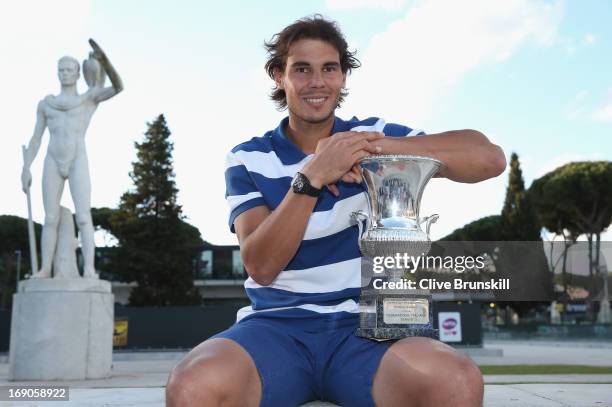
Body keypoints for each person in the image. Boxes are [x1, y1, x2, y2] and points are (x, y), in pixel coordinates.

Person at [167, 15, 505, 407]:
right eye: (301, 69)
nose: (317, 82)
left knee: (457, 382)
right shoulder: (248, 158)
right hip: (278, 328)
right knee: (191, 387)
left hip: (374, 327)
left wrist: (366, 148)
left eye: (329, 68)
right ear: (279, 76)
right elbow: (261, 265)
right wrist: (311, 178)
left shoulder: (375, 134)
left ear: (343, 77)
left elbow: (488, 158)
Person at [21, 39, 123, 279]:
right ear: (57, 73)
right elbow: (36, 137)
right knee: (50, 218)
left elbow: (118, 87)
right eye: (62, 70)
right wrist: (26, 167)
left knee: (84, 217)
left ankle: (89, 268)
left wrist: (104, 60)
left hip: (78, 158)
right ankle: (46, 268)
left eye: (69, 70)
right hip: (52, 159)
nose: (65, 73)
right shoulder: (46, 104)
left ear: (78, 74)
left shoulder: (89, 98)